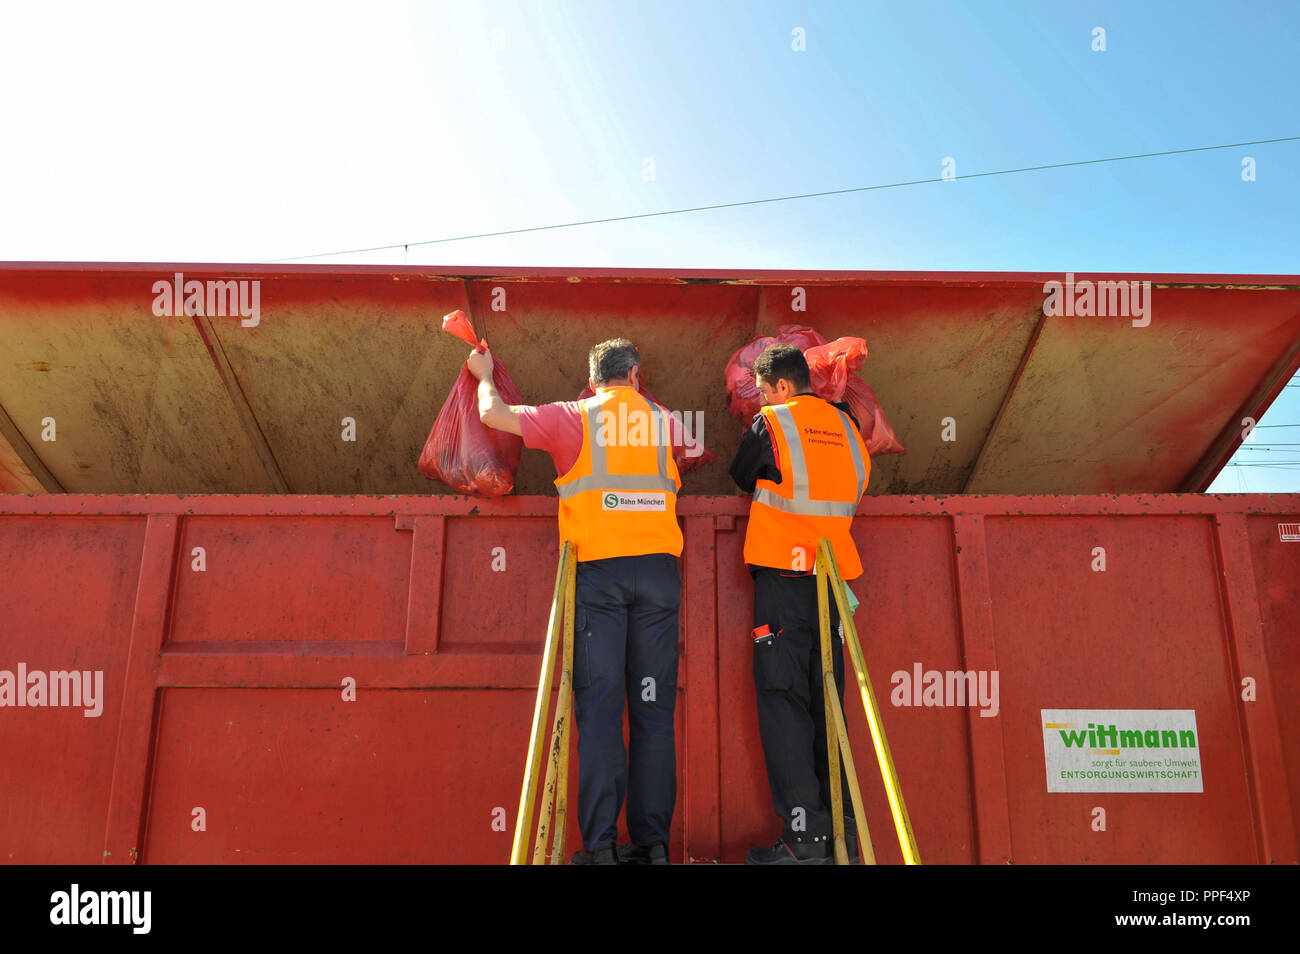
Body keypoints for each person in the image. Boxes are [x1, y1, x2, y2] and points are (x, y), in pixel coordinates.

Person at [467, 337, 684, 866]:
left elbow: (493, 416)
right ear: (636, 375)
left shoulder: (574, 415)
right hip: (659, 573)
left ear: (592, 381)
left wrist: (484, 374)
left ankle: (603, 850)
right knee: (654, 713)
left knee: (602, 711)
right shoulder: (667, 421)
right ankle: (654, 847)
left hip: (601, 575)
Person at [728, 343, 870, 865]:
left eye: (763, 392)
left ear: (782, 387)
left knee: (784, 700)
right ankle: (844, 841)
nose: (759, 401)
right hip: (832, 581)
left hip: (785, 581)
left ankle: (805, 842)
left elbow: (742, 476)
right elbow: (854, 489)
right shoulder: (850, 428)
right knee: (829, 699)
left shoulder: (775, 423)